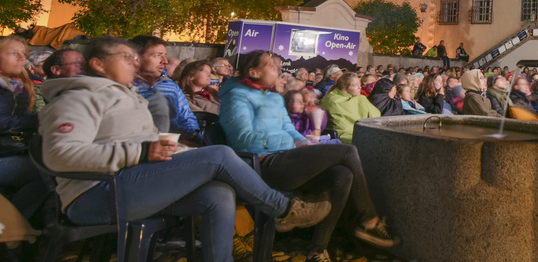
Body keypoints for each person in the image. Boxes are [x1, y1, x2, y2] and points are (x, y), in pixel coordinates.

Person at [40, 37, 331, 262]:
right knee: (219, 154)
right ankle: (283, 209)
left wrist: (177, 151)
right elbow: (59, 155)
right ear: (99, 65)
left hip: (133, 181)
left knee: (218, 194)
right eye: (126, 57)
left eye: (135, 57)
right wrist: (142, 153)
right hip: (97, 194)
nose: (135, 62)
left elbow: (144, 143)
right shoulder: (77, 98)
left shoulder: (129, 97)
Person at [219, 51, 399, 260]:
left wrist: (304, 141)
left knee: (342, 175)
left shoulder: (273, 98)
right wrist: (292, 144)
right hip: (262, 164)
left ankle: (318, 249)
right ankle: (368, 220)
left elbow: (289, 129)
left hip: (285, 156)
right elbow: (243, 139)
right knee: (348, 151)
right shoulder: (236, 97)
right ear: (254, 71)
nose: (277, 68)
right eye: (269, 65)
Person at [0, 36, 49, 225]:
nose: (22, 58)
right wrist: (40, 120)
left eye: (24, 54)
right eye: (13, 53)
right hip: (5, 153)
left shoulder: (17, 85)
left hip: (11, 150)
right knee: (43, 174)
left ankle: (12, 228)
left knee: (46, 173)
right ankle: (10, 228)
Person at [130, 36, 200, 139]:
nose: (164, 61)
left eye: (165, 55)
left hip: (171, 143)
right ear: (136, 58)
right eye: (157, 55)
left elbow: (185, 117)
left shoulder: (170, 86)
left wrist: (195, 137)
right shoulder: (124, 86)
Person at [320, 74, 380, 143]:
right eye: (355, 85)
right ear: (345, 88)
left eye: (359, 84)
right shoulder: (332, 100)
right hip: (341, 137)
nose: (359, 87)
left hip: (363, 133)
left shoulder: (361, 98)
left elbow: (376, 115)